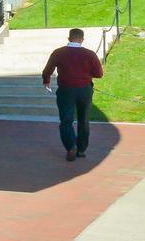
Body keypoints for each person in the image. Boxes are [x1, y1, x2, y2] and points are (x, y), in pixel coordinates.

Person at [41, 27, 104, 161]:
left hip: (66, 90)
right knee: (84, 120)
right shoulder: (90, 54)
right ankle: (81, 150)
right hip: (85, 89)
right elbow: (99, 74)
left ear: (69, 38)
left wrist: (46, 81)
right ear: (82, 39)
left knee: (66, 120)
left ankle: (70, 147)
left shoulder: (58, 53)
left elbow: (47, 70)